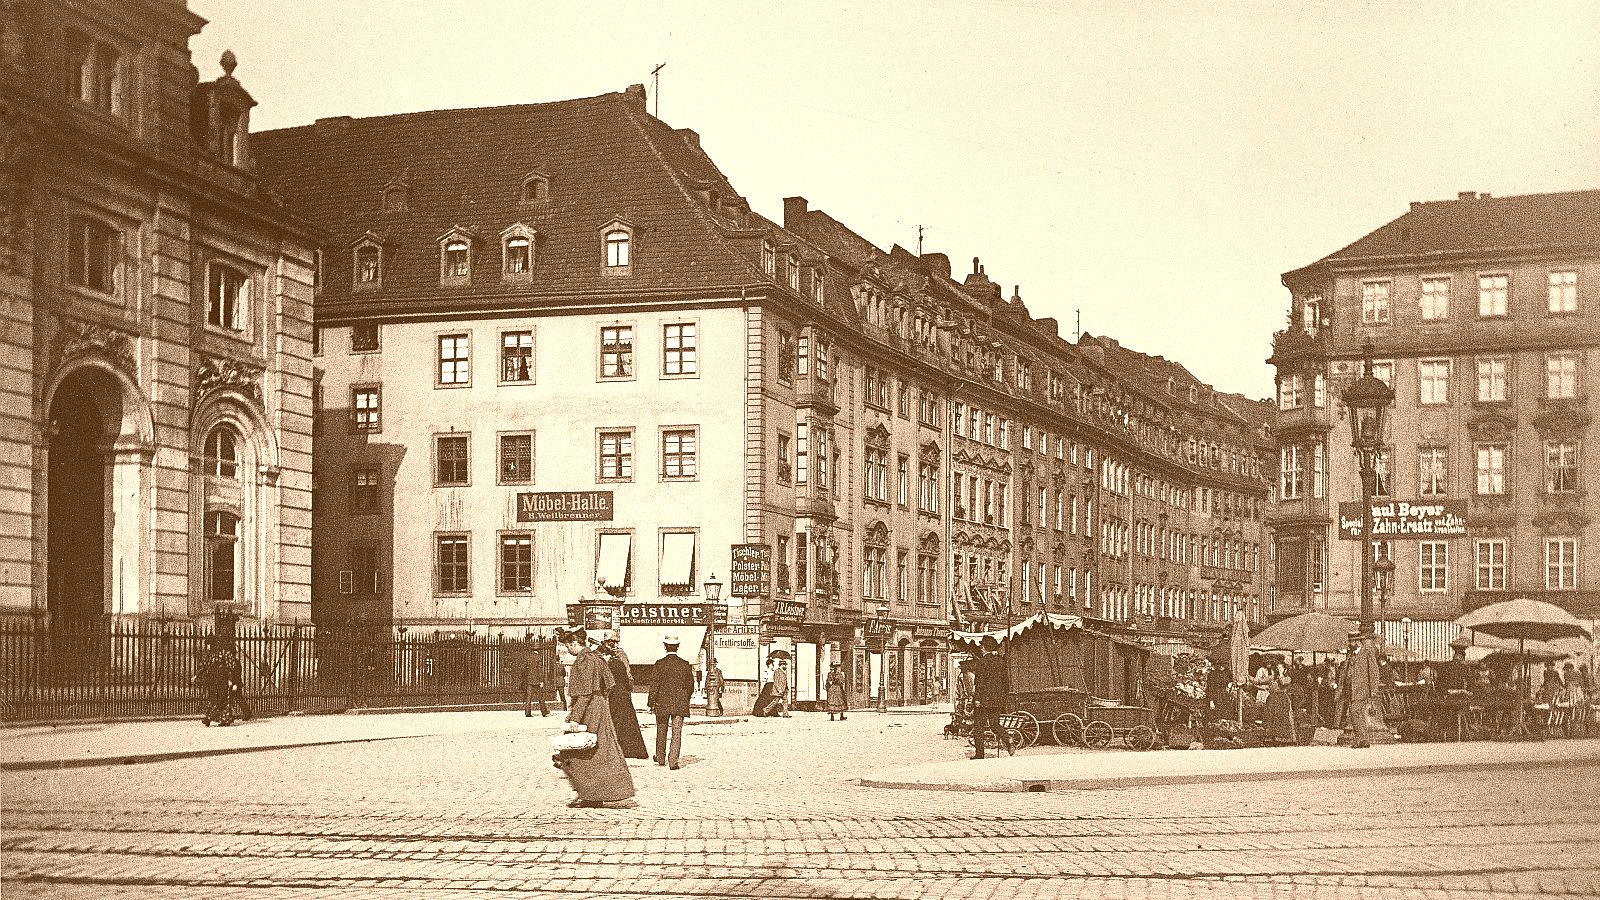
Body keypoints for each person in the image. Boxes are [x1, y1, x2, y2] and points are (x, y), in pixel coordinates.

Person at [553, 626, 635, 808]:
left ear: (574, 643)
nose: (568, 649)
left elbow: (584, 694)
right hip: (599, 709)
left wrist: (575, 718)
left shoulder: (585, 660)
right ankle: (591, 794)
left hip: (589, 711)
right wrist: (601, 702)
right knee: (598, 753)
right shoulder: (597, 657)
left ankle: (590, 795)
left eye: (568, 646)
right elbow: (610, 684)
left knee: (579, 753)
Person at [647, 634, 694, 770]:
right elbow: (690, 686)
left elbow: (654, 685)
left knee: (661, 729)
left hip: (662, 703)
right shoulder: (685, 664)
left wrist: (650, 703)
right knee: (676, 732)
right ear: (677, 647)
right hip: (679, 703)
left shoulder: (659, 664)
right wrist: (685, 698)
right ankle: (673, 762)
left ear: (665, 646)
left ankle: (660, 757)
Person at [599, 633, 648, 759]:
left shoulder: (619, 656)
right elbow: (627, 676)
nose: (611, 644)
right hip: (621, 692)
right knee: (625, 720)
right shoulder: (618, 656)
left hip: (613, 692)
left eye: (612, 642)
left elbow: (626, 674)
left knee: (617, 721)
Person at [967, 635, 1009, 760]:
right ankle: (1008, 739)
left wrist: (977, 699)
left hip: (983, 701)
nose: (980, 647)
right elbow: (1006, 683)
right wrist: (1002, 697)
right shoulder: (1001, 662)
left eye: (981, 645)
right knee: (995, 724)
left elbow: (979, 683)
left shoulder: (981, 662)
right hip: (997, 700)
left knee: (979, 727)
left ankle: (980, 754)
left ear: (984, 647)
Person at [1338, 631, 1381, 748]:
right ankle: (1363, 739)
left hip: (1361, 690)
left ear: (1358, 641)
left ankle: (1361, 739)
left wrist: (1373, 690)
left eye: (1351, 641)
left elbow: (1374, 672)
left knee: (1355, 712)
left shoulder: (1367, 653)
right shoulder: (1351, 655)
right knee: (1357, 714)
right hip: (1351, 690)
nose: (1349, 644)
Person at [522, 641, 548, 717]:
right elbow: (540, 670)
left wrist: (527, 677)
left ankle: (527, 713)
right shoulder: (538, 658)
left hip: (529, 680)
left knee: (529, 697)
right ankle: (544, 712)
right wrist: (541, 680)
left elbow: (524, 669)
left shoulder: (528, 657)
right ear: (538, 650)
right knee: (540, 697)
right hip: (537, 680)